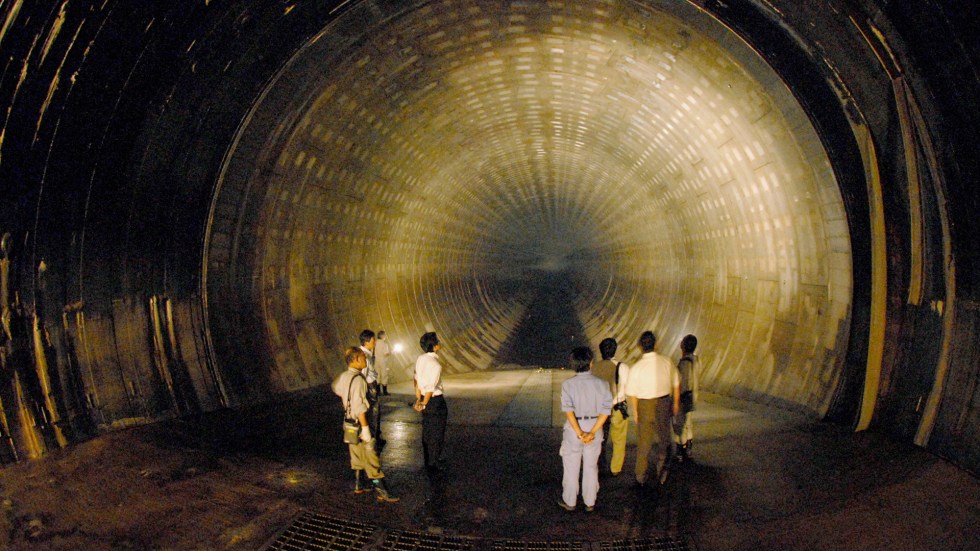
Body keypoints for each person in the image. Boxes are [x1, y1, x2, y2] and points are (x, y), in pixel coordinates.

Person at [331, 346, 399, 502]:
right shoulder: (359, 380)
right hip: (360, 423)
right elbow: (359, 406)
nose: (365, 360)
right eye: (363, 357)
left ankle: (359, 485)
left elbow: (336, 388)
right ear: (355, 360)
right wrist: (366, 429)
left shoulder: (344, 377)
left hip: (348, 423)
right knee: (371, 458)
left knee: (355, 455)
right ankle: (380, 487)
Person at [558, 346, 612, 512]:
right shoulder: (602, 384)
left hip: (574, 430)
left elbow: (568, 411)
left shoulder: (568, 385)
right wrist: (592, 432)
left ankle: (570, 501)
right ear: (591, 363)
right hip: (595, 428)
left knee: (571, 466)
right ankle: (590, 502)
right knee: (590, 467)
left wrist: (580, 433)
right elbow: (606, 411)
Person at [625, 331, 679, 487]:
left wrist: (636, 412)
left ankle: (641, 475)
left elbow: (632, 394)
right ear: (656, 344)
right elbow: (676, 383)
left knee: (644, 442)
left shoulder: (636, 367)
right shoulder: (666, 362)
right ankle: (662, 472)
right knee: (664, 439)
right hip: (663, 403)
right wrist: (675, 403)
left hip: (644, 405)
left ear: (640, 347)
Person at [590, 337, 630, 476]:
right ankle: (615, 468)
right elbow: (628, 388)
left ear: (601, 351)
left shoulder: (594, 368)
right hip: (618, 407)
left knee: (600, 438)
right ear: (615, 350)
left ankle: (600, 465)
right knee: (619, 439)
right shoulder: (622, 367)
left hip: (599, 409)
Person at [414, 331, 448, 472]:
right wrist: (424, 402)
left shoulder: (420, 359)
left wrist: (419, 400)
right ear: (434, 346)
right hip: (434, 401)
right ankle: (434, 463)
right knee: (437, 432)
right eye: (437, 341)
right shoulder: (435, 365)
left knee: (427, 432)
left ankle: (429, 460)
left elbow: (417, 380)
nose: (440, 343)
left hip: (424, 399)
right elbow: (430, 387)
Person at [673, 334, 700, 461]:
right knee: (689, 423)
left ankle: (681, 450)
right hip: (693, 396)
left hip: (684, 397)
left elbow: (682, 383)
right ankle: (688, 448)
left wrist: (676, 399)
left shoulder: (684, 363)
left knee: (680, 424)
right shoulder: (697, 360)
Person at [358, 329, 382, 447]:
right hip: (369, 386)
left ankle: (375, 435)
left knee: (374, 412)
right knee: (373, 412)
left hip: (371, 385)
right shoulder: (364, 356)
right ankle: (372, 438)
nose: (375, 342)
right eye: (373, 340)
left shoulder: (367, 353)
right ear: (366, 342)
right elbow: (362, 375)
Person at [375, 330, 392, 396]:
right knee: (384, 376)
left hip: (376, 361)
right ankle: (385, 392)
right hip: (383, 361)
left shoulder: (375, 343)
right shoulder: (384, 344)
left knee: (377, 376)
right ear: (382, 336)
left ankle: (378, 392)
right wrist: (391, 352)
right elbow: (386, 353)